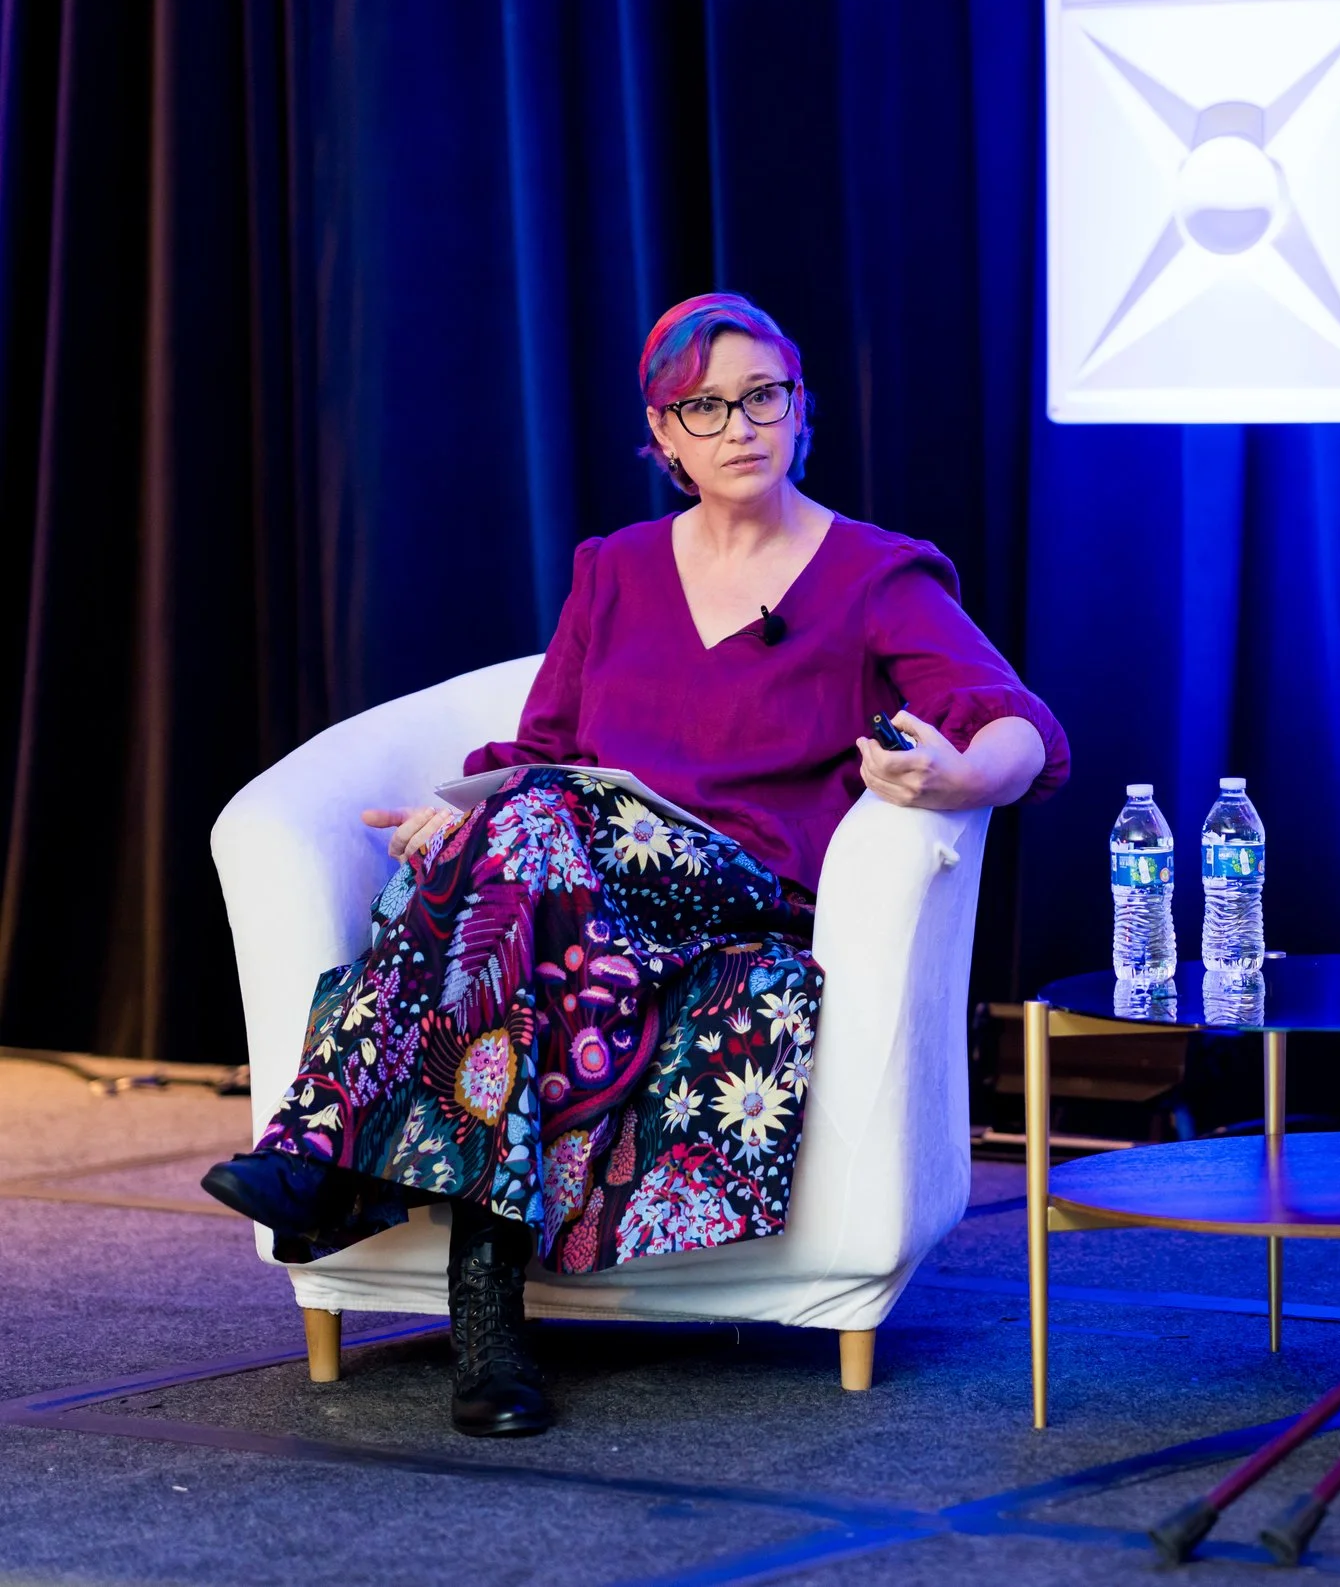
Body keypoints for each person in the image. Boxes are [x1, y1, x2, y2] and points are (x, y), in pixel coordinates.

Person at [201, 292, 1069, 1437]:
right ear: (662, 437)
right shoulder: (612, 572)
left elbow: (1021, 726)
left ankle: (325, 1148)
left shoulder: (875, 575)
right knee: (517, 848)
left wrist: (961, 776)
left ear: (801, 410)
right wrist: (450, 816)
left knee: (527, 829)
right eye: (703, 407)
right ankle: (487, 1322)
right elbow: (537, 752)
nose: (739, 424)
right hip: (578, 909)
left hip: (736, 899)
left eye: (763, 396)